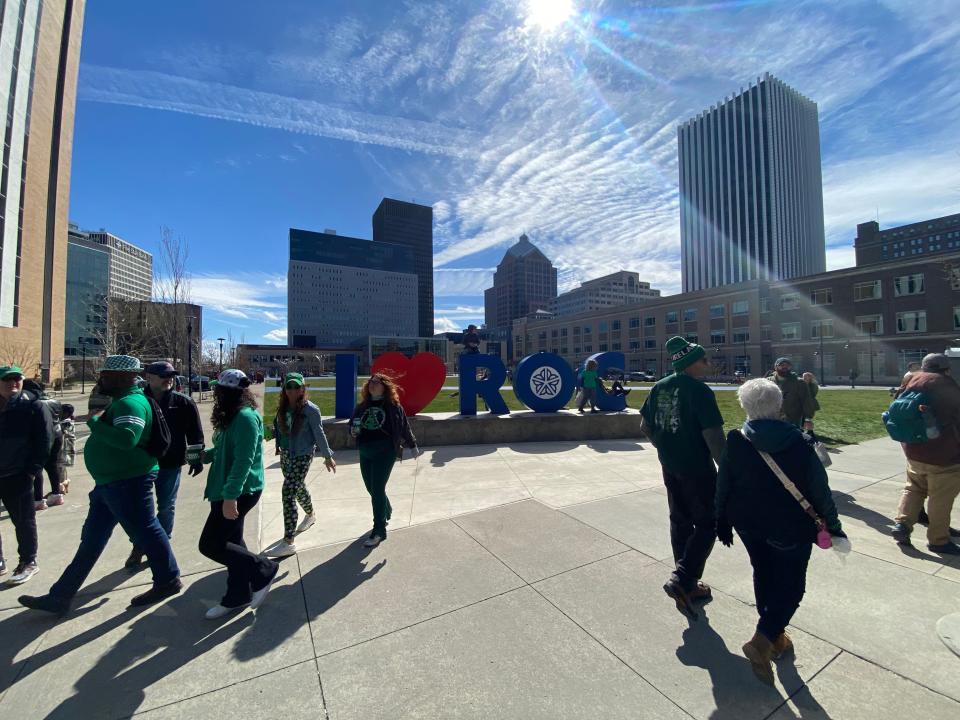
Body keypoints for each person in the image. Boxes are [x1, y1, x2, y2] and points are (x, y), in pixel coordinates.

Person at [19, 355, 182, 614]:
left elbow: (127, 439)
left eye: (106, 375)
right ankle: (60, 596)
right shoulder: (120, 401)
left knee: (148, 531)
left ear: (123, 377)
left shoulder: (131, 404)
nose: (102, 379)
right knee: (92, 540)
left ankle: (168, 579)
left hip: (129, 482)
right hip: (110, 484)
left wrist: (95, 423)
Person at [715, 378, 844, 684]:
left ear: (745, 406)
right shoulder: (800, 441)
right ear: (779, 405)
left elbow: (724, 483)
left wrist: (720, 517)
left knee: (764, 574)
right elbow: (820, 492)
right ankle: (762, 641)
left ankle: (775, 635)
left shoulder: (735, 439)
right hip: (790, 527)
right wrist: (835, 528)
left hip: (748, 523)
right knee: (792, 587)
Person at [640, 337, 725, 618]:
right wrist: (727, 471)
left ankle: (685, 582)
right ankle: (684, 579)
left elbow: (645, 425)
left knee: (680, 521)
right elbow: (713, 436)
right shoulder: (699, 391)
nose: (707, 364)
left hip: (670, 466)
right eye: (703, 360)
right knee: (708, 524)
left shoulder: (659, 386)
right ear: (691, 363)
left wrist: (665, 446)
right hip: (697, 469)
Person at [199, 369, 279, 619]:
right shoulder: (231, 417)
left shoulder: (245, 418)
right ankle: (237, 595)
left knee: (211, 545)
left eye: (219, 390)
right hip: (226, 489)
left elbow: (244, 460)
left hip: (240, 490)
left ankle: (263, 569)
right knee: (234, 545)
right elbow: (226, 449)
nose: (216, 394)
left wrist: (230, 497)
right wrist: (206, 456)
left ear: (229, 392)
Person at [125, 361, 205, 570]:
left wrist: (196, 459)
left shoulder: (183, 402)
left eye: (171, 375)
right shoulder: (137, 401)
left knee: (166, 505)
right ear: (149, 377)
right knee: (139, 510)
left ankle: (161, 545)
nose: (168, 378)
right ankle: (139, 546)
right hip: (140, 464)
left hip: (170, 462)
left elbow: (195, 433)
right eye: (163, 375)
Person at [891, 354, 960, 554]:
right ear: (946, 368)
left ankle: (902, 525)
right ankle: (938, 540)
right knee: (940, 498)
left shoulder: (912, 379)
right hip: (943, 454)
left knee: (914, 488)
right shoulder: (946, 384)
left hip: (913, 450)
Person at [268, 372, 337, 558]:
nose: (292, 390)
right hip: (286, 456)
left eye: (296, 387)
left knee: (288, 492)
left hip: (302, 456)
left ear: (302, 389)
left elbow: (319, 433)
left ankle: (288, 541)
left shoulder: (310, 410)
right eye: (288, 387)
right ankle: (310, 514)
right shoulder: (282, 408)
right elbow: (280, 429)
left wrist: (327, 455)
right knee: (298, 488)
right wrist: (276, 445)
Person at [350, 373, 418, 548]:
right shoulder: (362, 406)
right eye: (370, 382)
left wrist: (412, 444)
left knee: (378, 489)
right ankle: (386, 509)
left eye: (376, 383)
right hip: (365, 450)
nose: (372, 385)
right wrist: (352, 430)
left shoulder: (393, 406)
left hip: (385, 451)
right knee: (371, 488)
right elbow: (352, 424)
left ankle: (379, 530)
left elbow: (404, 426)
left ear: (385, 387)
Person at [0, 365, 52, 584]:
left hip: (18, 474)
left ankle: (28, 561)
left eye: (17, 379)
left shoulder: (33, 406)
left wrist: (32, 470)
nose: (13, 383)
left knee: (23, 521)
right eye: (7, 380)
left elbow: (45, 441)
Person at [23, 379, 64, 510]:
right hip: (57, 435)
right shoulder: (54, 401)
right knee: (53, 465)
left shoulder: (33, 403)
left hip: (41, 437)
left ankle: (38, 499)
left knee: (38, 466)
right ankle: (57, 494)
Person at [767, 358, 816, 429]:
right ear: (775, 367)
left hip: (793, 419)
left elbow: (806, 401)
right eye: (781, 365)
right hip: (773, 418)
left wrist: (808, 418)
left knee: (793, 438)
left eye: (787, 365)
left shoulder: (799, 382)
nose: (785, 367)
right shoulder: (768, 381)